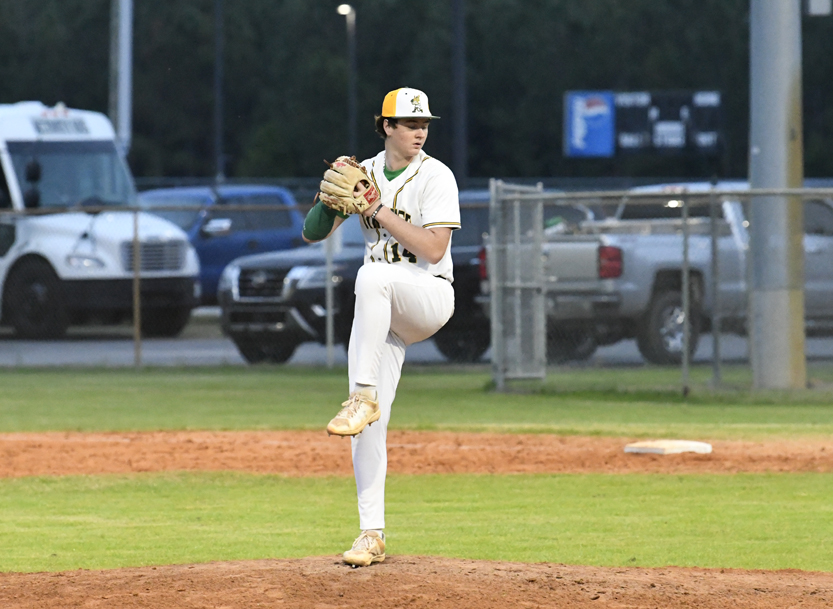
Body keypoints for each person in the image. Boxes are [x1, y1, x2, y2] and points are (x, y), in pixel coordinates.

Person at [301, 87, 460, 567]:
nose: (419, 131)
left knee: (371, 275)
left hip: (429, 295)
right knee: (368, 426)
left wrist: (377, 210)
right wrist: (330, 205)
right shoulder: (364, 172)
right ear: (385, 126)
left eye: (424, 124)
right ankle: (371, 534)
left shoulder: (435, 175)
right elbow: (311, 233)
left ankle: (361, 393)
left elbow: (433, 250)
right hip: (383, 314)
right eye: (409, 124)